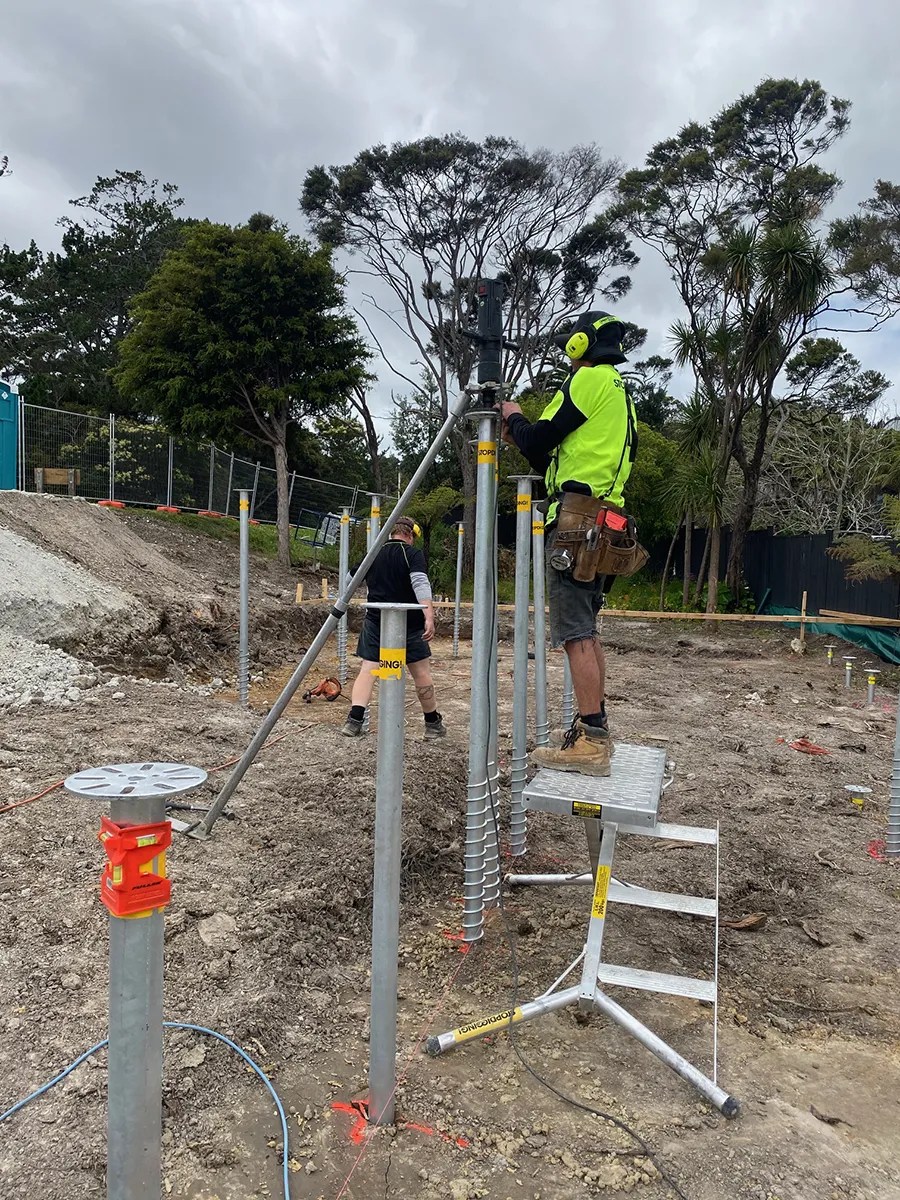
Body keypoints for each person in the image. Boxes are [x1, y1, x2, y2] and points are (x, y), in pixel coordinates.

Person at [500, 310, 637, 776]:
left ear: (579, 346)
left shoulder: (589, 380)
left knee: (574, 632)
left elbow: (541, 437)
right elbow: (555, 448)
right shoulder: (623, 394)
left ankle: (593, 742)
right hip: (607, 521)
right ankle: (595, 729)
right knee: (588, 628)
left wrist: (514, 418)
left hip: (578, 521)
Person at [341, 515, 447, 740]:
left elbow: (350, 580)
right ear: (408, 535)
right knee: (421, 673)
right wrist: (429, 615)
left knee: (368, 669)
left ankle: (354, 721)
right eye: (413, 538)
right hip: (410, 624)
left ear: (391, 533)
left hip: (376, 621)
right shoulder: (412, 555)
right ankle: (432, 725)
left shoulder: (374, 553)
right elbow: (420, 582)